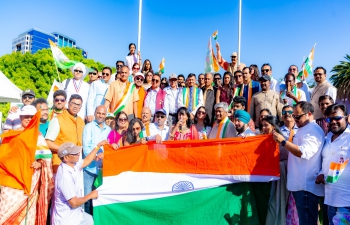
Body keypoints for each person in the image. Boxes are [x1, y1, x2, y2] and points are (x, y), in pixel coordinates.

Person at [272, 101, 325, 225]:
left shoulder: (312, 130)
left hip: (306, 187)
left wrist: (283, 142)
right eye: (293, 116)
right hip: (300, 186)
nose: (294, 119)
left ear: (309, 114)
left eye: (297, 116)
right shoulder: (304, 128)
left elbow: (303, 152)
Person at [0, 105, 54, 225]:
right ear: (21, 117)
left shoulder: (38, 136)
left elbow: (46, 158)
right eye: (26, 116)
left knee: (26, 215)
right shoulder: (12, 134)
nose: (29, 119)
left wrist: (40, 164)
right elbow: (4, 156)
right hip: (10, 183)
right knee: (6, 214)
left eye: (31, 116)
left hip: (28, 182)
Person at [51, 142, 105, 225]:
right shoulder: (65, 176)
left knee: (90, 220)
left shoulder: (73, 164)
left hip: (77, 215)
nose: (78, 153)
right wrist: (91, 195)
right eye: (74, 153)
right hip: (67, 220)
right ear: (66, 157)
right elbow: (74, 203)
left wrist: (97, 146)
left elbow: (86, 160)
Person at [316, 104, 350, 224]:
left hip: (346, 202)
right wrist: (321, 173)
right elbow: (326, 162)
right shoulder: (327, 138)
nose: (333, 122)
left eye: (337, 118)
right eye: (330, 119)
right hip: (330, 199)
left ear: (347, 118)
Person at [45, 94, 85, 174]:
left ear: (81, 107)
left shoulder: (81, 121)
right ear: (68, 103)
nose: (75, 106)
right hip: (60, 163)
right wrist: (65, 150)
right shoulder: (58, 119)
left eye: (78, 105)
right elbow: (48, 142)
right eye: (73, 103)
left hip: (76, 165)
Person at [82, 105, 111, 215]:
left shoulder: (108, 129)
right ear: (94, 113)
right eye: (99, 113)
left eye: (103, 114)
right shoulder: (88, 127)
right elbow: (86, 149)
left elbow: (109, 148)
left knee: (100, 199)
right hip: (89, 169)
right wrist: (96, 156)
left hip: (102, 171)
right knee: (87, 198)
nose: (101, 115)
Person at [260, 115, 288, 225]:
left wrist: (275, 165)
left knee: (274, 205)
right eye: (262, 125)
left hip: (278, 181)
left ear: (274, 127)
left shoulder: (281, 141)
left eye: (266, 125)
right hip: (265, 181)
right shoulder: (262, 140)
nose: (263, 128)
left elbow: (286, 161)